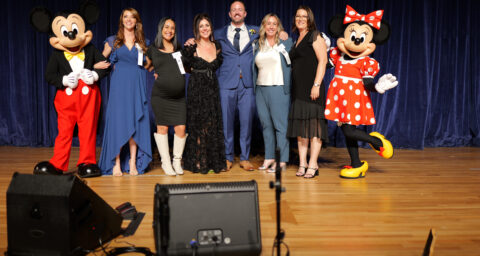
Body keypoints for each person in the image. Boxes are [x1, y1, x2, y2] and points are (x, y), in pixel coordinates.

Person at [98, 8, 152, 176]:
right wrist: (96, 65)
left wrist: (154, 69)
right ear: (122, 20)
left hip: (136, 87)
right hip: (119, 88)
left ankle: (133, 162)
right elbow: (101, 58)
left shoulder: (143, 42)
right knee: (119, 124)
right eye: (126, 17)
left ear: (137, 21)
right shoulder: (113, 41)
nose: (129, 20)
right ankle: (116, 163)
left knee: (135, 124)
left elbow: (148, 64)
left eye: (132, 17)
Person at [212, 0, 259, 171]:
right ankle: (227, 157)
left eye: (240, 9)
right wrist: (191, 41)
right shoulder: (218, 33)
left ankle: (245, 158)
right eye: (234, 10)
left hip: (247, 84)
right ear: (230, 14)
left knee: (247, 122)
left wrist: (282, 33)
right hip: (226, 83)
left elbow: (273, 30)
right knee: (226, 123)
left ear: (245, 13)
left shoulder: (256, 31)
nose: (237, 12)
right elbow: (203, 42)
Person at [287, 5, 328, 179]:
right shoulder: (297, 38)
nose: (300, 19)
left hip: (313, 89)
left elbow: (323, 61)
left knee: (314, 127)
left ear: (310, 19)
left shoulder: (315, 35)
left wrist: (316, 85)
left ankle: (313, 163)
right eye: (298, 16)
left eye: (304, 16)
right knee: (301, 128)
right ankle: (303, 162)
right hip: (298, 89)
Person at [181, 13, 226, 174]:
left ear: (211, 28)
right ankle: (198, 160)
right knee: (198, 125)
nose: (205, 28)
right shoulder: (190, 46)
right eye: (201, 26)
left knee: (211, 125)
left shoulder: (217, 46)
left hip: (212, 89)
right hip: (197, 89)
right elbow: (183, 67)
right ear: (197, 29)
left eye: (207, 25)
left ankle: (212, 161)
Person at [146, 17, 186, 176]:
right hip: (160, 97)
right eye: (166, 27)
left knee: (181, 128)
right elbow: (146, 67)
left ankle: (177, 161)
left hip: (179, 98)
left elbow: (184, 68)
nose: (169, 30)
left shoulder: (179, 49)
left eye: (172, 28)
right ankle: (166, 162)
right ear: (161, 29)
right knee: (162, 128)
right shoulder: (153, 49)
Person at [252, 14, 293, 173]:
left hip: (278, 87)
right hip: (261, 89)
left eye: (274, 24)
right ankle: (269, 157)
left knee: (280, 126)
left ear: (278, 27)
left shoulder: (285, 42)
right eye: (268, 23)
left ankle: (282, 160)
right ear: (263, 25)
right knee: (266, 125)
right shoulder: (257, 44)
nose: (271, 26)